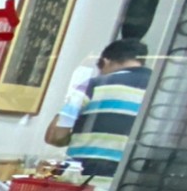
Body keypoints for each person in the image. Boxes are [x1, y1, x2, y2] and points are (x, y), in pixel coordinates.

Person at [44, 38, 153, 176]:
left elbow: (55, 136)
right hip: (132, 180)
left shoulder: (94, 85)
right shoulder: (158, 89)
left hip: (86, 178)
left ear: (105, 61)